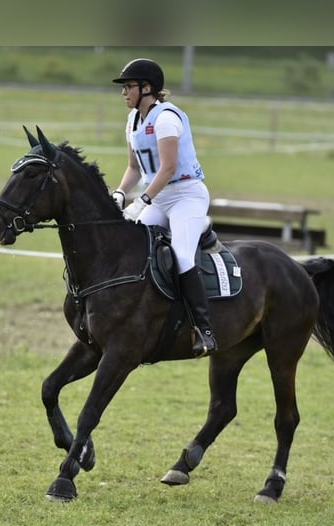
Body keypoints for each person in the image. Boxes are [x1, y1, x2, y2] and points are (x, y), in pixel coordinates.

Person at [111, 58, 217, 357]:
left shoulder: (166, 118)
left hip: (186, 195)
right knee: (133, 249)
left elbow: (169, 168)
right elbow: (134, 167)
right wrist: (121, 193)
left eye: (129, 87)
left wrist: (141, 201)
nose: (124, 93)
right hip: (159, 198)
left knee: (182, 256)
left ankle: (204, 330)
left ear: (147, 88)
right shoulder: (133, 121)